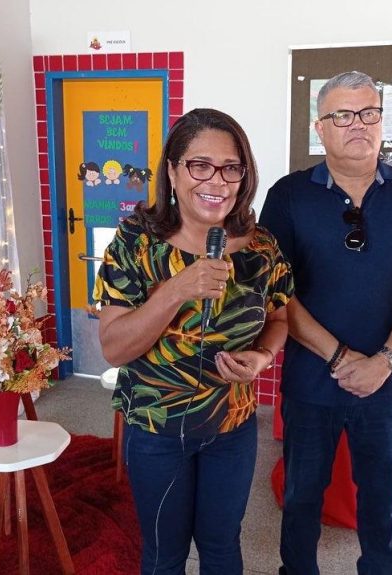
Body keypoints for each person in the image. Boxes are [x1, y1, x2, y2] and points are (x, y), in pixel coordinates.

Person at [93, 108, 294, 575]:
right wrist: (176, 290)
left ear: (244, 175)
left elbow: (280, 318)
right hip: (156, 429)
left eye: (230, 168)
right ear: (172, 170)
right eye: (200, 165)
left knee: (222, 547)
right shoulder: (135, 242)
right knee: (164, 555)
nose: (216, 181)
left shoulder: (261, 247)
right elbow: (114, 348)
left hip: (233, 426)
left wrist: (263, 356)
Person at [259, 72, 392, 574]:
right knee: (301, 498)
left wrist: (385, 361)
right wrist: (341, 357)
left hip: (386, 384)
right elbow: (278, 292)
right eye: (342, 115)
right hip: (311, 381)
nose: (357, 124)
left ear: (383, 121)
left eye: (368, 113)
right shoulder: (288, 197)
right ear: (320, 128)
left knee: (383, 505)